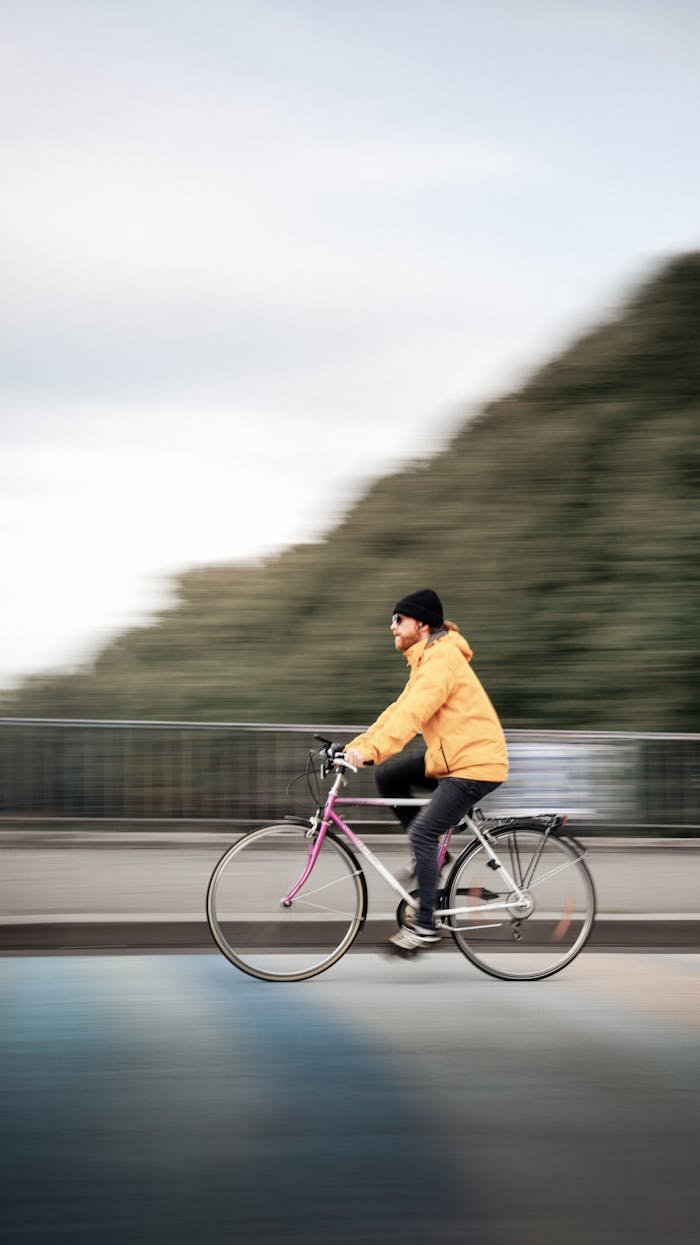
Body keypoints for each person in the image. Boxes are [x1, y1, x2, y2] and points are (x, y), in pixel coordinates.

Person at [345, 588, 508, 956]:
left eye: (397, 620)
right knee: (388, 776)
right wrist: (353, 747)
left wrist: (368, 752)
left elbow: (411, 717)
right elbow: (395, 711)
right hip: (454, 758)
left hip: (474, 764)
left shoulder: (441, 660)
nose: (392, 627)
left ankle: (426, 926)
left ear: (420, 624)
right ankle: (433, 857)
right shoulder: (427, 659)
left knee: (422, 831)